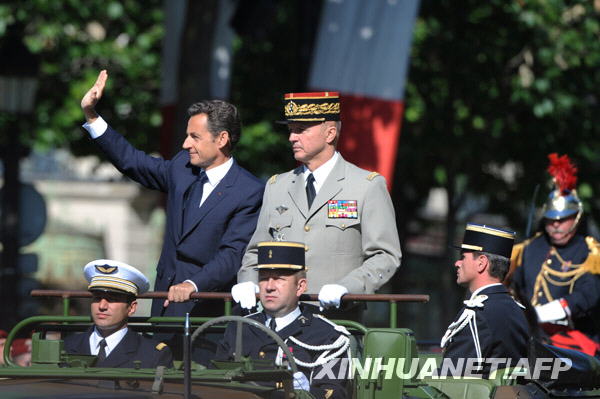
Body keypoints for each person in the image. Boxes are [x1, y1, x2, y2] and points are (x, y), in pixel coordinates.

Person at [80, 70, 264, 317]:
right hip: (164, 306)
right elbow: (133, 162)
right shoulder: (182, 168)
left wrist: (193, 284)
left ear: (222, 139)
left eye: (195, 137)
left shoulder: (248, 191)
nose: (185, 144)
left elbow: (232, 255)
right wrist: (92, 115)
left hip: (208, 312)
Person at [233, 91, 401, 311]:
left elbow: (385, 255)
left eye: (301, 130)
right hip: (280, 319)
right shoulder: (277, 186)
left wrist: (349, 287)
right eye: (291, 130)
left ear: (330, 134)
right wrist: (248, 281)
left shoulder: (366, 186)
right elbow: (256, 252)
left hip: (336, 318)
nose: (292, 137)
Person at [216, 241, 351, 399]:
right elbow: (216, 380)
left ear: (300, 287)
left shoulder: (329, 336)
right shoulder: (240, 327)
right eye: (264, 278)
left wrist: (305, 393)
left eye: (279, 279)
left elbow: (335, 394)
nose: (269, 286)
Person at [510, 153, 600, 356]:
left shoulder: (589, 251)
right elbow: (516, 287)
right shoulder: (529, 248)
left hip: (573, 339)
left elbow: (588, 295)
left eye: (563, 219)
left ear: (576, 217)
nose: (556, 225)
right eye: (551, 220)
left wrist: (542, 313)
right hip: (531, 335)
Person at [441, 224, 529, 377]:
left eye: (463, 257)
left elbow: (451, 378)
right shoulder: (515, 309)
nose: (457, 263)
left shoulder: (479, 314)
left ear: (481, 263)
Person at [64, 259, 173, 368]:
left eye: (112, 299)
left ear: (131, 308)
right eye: (97, 298)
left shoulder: (153, 354)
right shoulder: (66, 346)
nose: (102, 306)